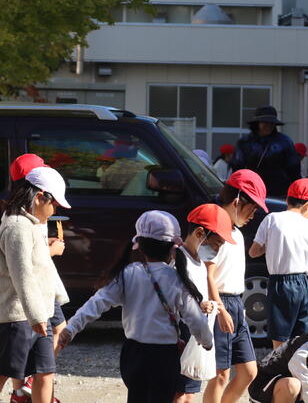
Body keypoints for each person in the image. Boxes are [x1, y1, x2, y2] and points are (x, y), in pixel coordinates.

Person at [58, 210, 213, 403]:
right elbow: (194, 317)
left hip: (133, 354)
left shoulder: (128, 274)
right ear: (172, 248)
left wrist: (71, 328)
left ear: (140, 245)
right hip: (164, 356)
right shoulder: (176, 278)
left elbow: (96, 303)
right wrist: (206, 340)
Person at [0, 166, 70, 403]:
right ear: (39, 197)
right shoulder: (17, 226)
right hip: (19, 315)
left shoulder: (31, 223)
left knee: (45, 373)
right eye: (54, 204)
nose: (55, 210)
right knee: (0, 374)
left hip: (41, 314)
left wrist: (41, 315)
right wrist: (36, 315)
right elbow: (22, 275)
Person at [6, 154, 68, 403]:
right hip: (39, 289)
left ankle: (20, 392)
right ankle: (30, 384)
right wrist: (53, 250)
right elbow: (27, 261)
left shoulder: (16, 211)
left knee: (27, 350)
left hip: (36, 291)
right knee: (59, 331)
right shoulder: (26, 217)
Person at [204, 169, 269, 403]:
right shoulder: (214, 230)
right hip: (219, 303)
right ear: (237, 201)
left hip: (236, 304)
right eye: (252, 208)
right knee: (220, 373)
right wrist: (220, 309)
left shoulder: (237, 232)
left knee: (249, 371)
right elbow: (208, 274)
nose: (253, 215)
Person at [249, 179, 308, 349]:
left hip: (280, 284)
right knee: (302, 338)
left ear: (288, 199)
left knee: (280, 340)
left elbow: (253, 252)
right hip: (303, 284)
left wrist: (270, 247)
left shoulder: (271, 219)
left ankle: (281, 365)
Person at [174, 204, 236, 403]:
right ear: (200, 233)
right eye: (216, 244)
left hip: (195, 333)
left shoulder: (198, 262)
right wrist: (198, 306)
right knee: (181, 395)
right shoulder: (178, 260)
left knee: (188, 393)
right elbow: (173, 298)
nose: (216, 251)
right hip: (182, 334)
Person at [232, 106, 301, 197]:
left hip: (279, 192)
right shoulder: (245, 142)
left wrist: (298, 190)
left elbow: (294, 168)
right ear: (257, 123)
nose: (269, 126)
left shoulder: (284, 141)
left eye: (272, 123)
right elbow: (237, 169)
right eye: (265, 122)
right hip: (252, 191)